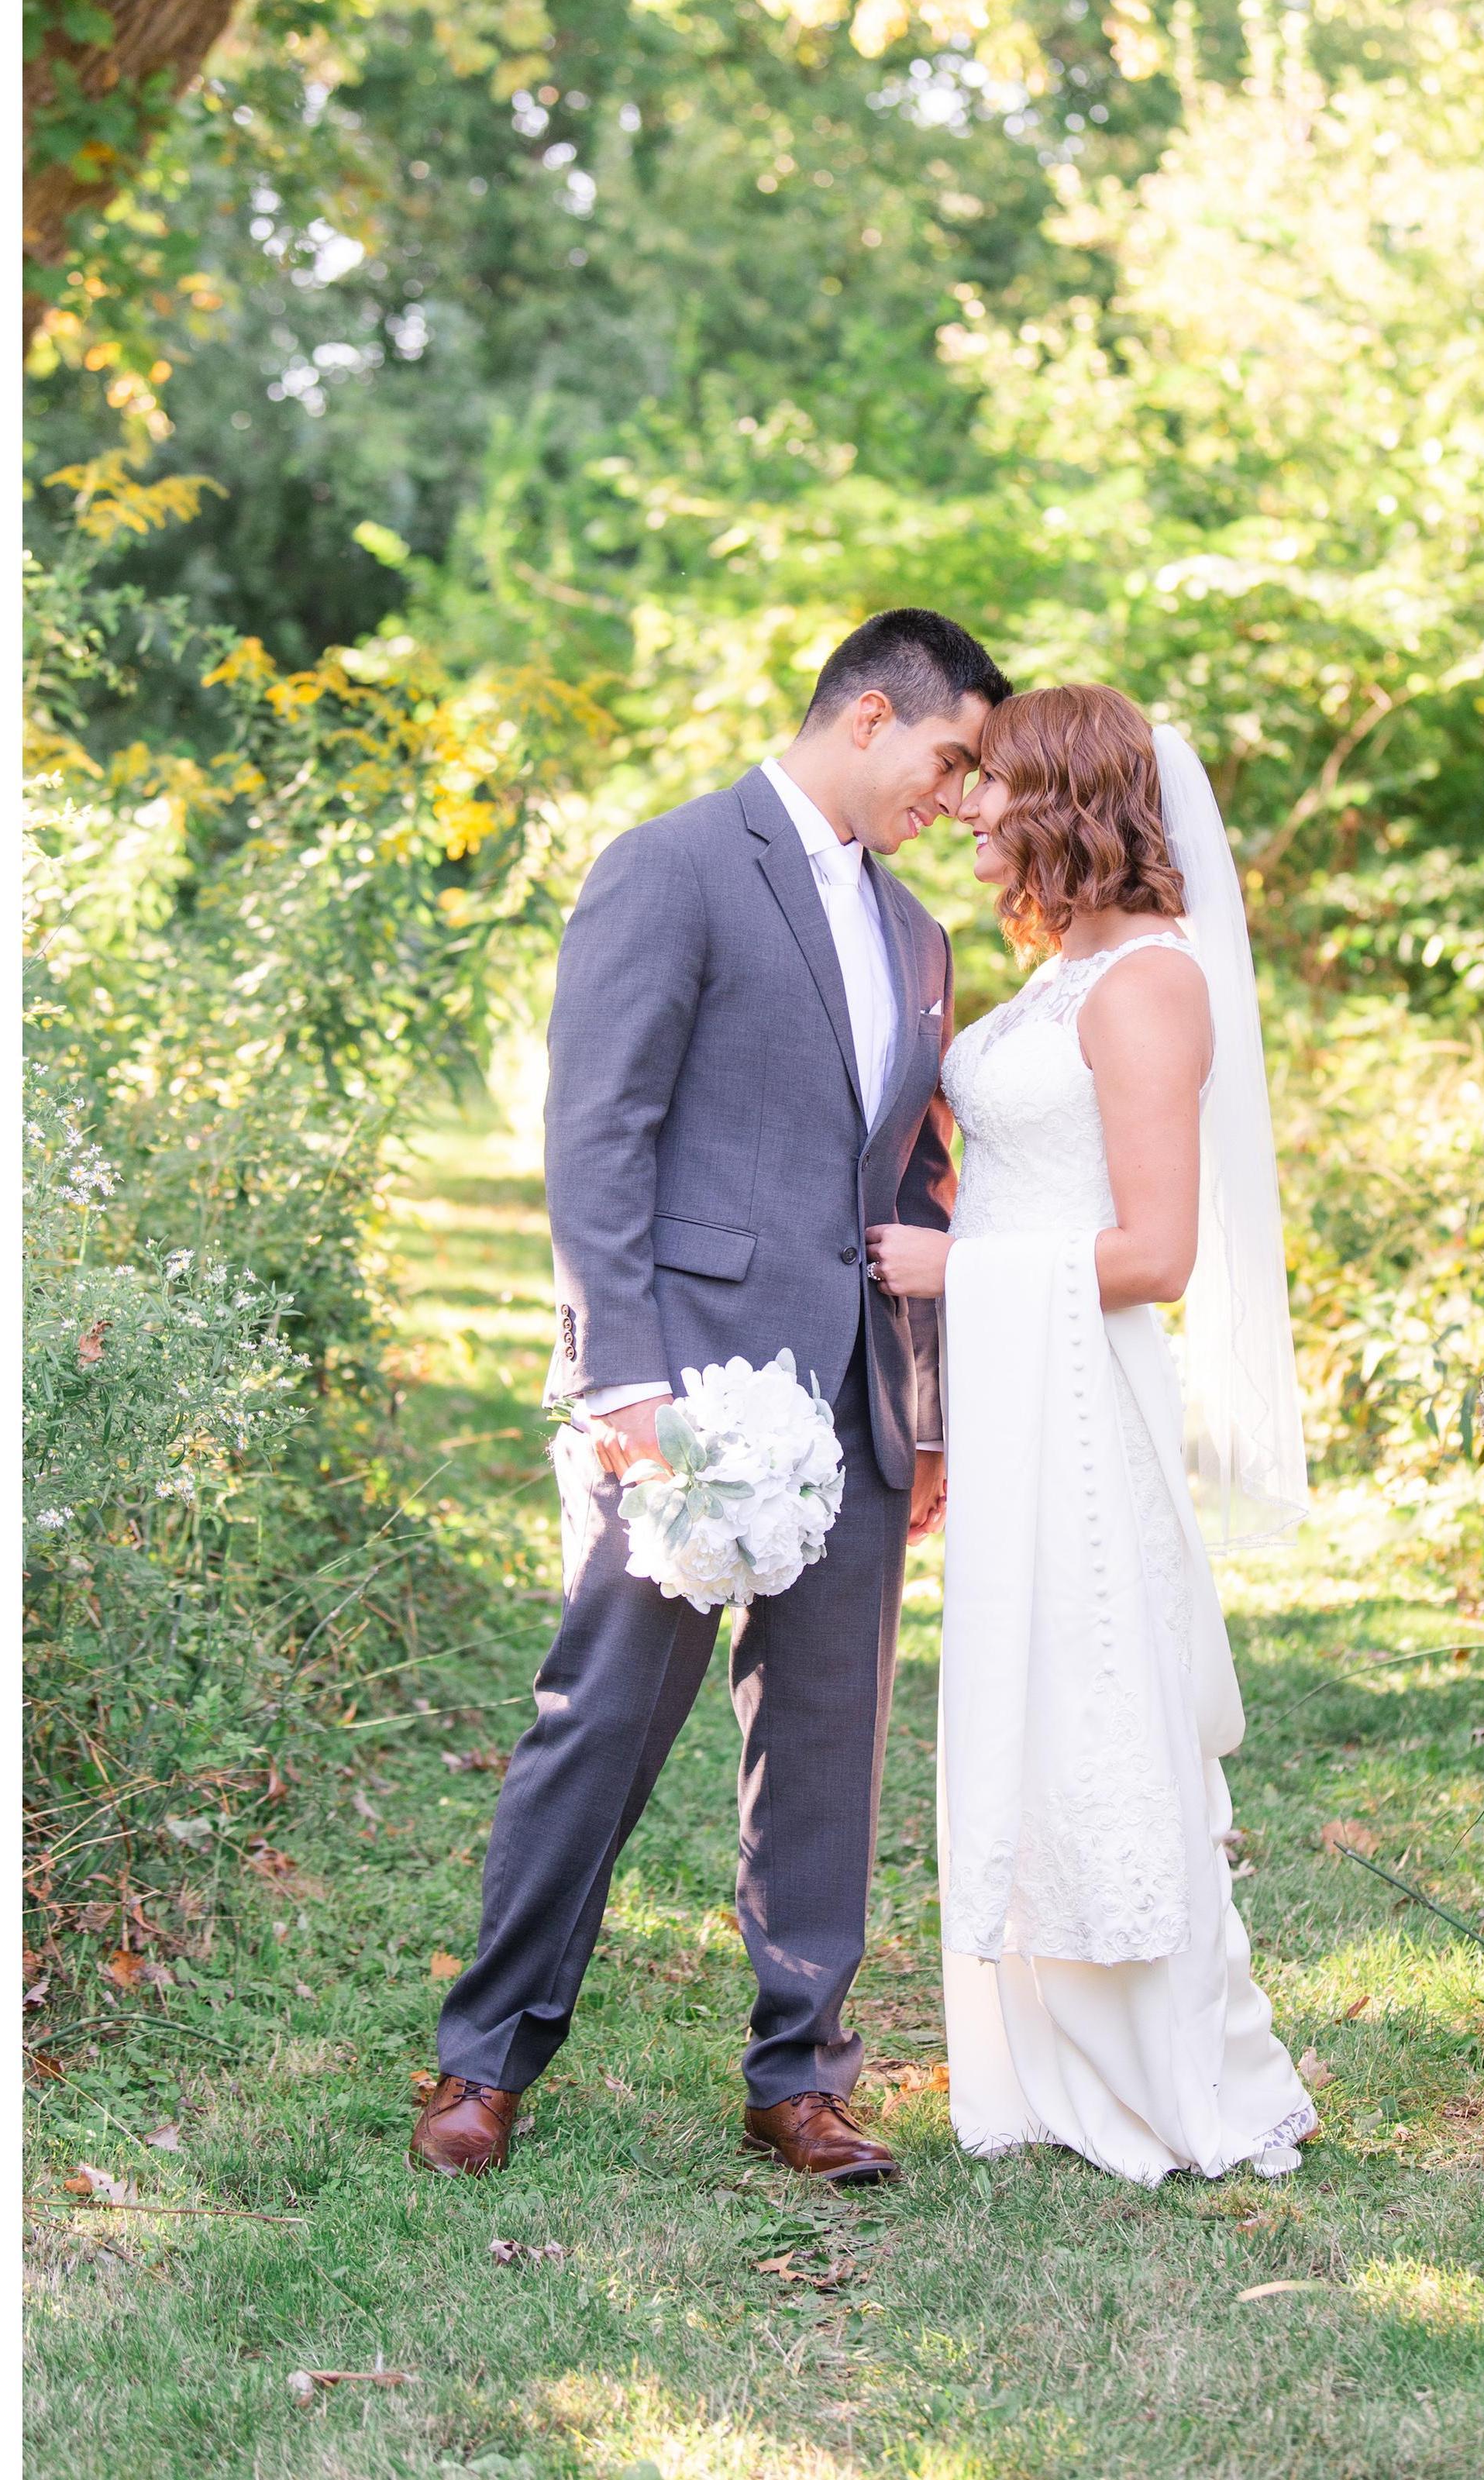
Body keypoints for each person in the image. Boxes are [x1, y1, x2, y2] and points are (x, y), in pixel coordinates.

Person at [411, 609, 1008, 2182]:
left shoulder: (920, 937)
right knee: (602, 1720)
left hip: (853, 1404)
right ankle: (486, 2059)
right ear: (869, 715)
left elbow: (916, 1181)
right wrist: (622, 1376)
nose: (955, 798)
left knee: (827, 1746)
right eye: (950, 759)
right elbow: (597, 1132)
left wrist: (924, 1414)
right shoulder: (670, 865)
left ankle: (799, 2077)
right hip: (673, 1391)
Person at [866, 683, 1319, 2186]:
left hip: (1077, 1394)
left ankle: (1160, 2064)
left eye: (992, 783)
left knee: (1099, 1702)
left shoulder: (1147, 986)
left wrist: (957, 1271)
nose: (967, 807)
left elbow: (1158, 1253)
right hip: (1014, 1389)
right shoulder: (1064, 972)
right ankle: (1049, 2051)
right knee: (1032, 1697)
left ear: (1065, 796)